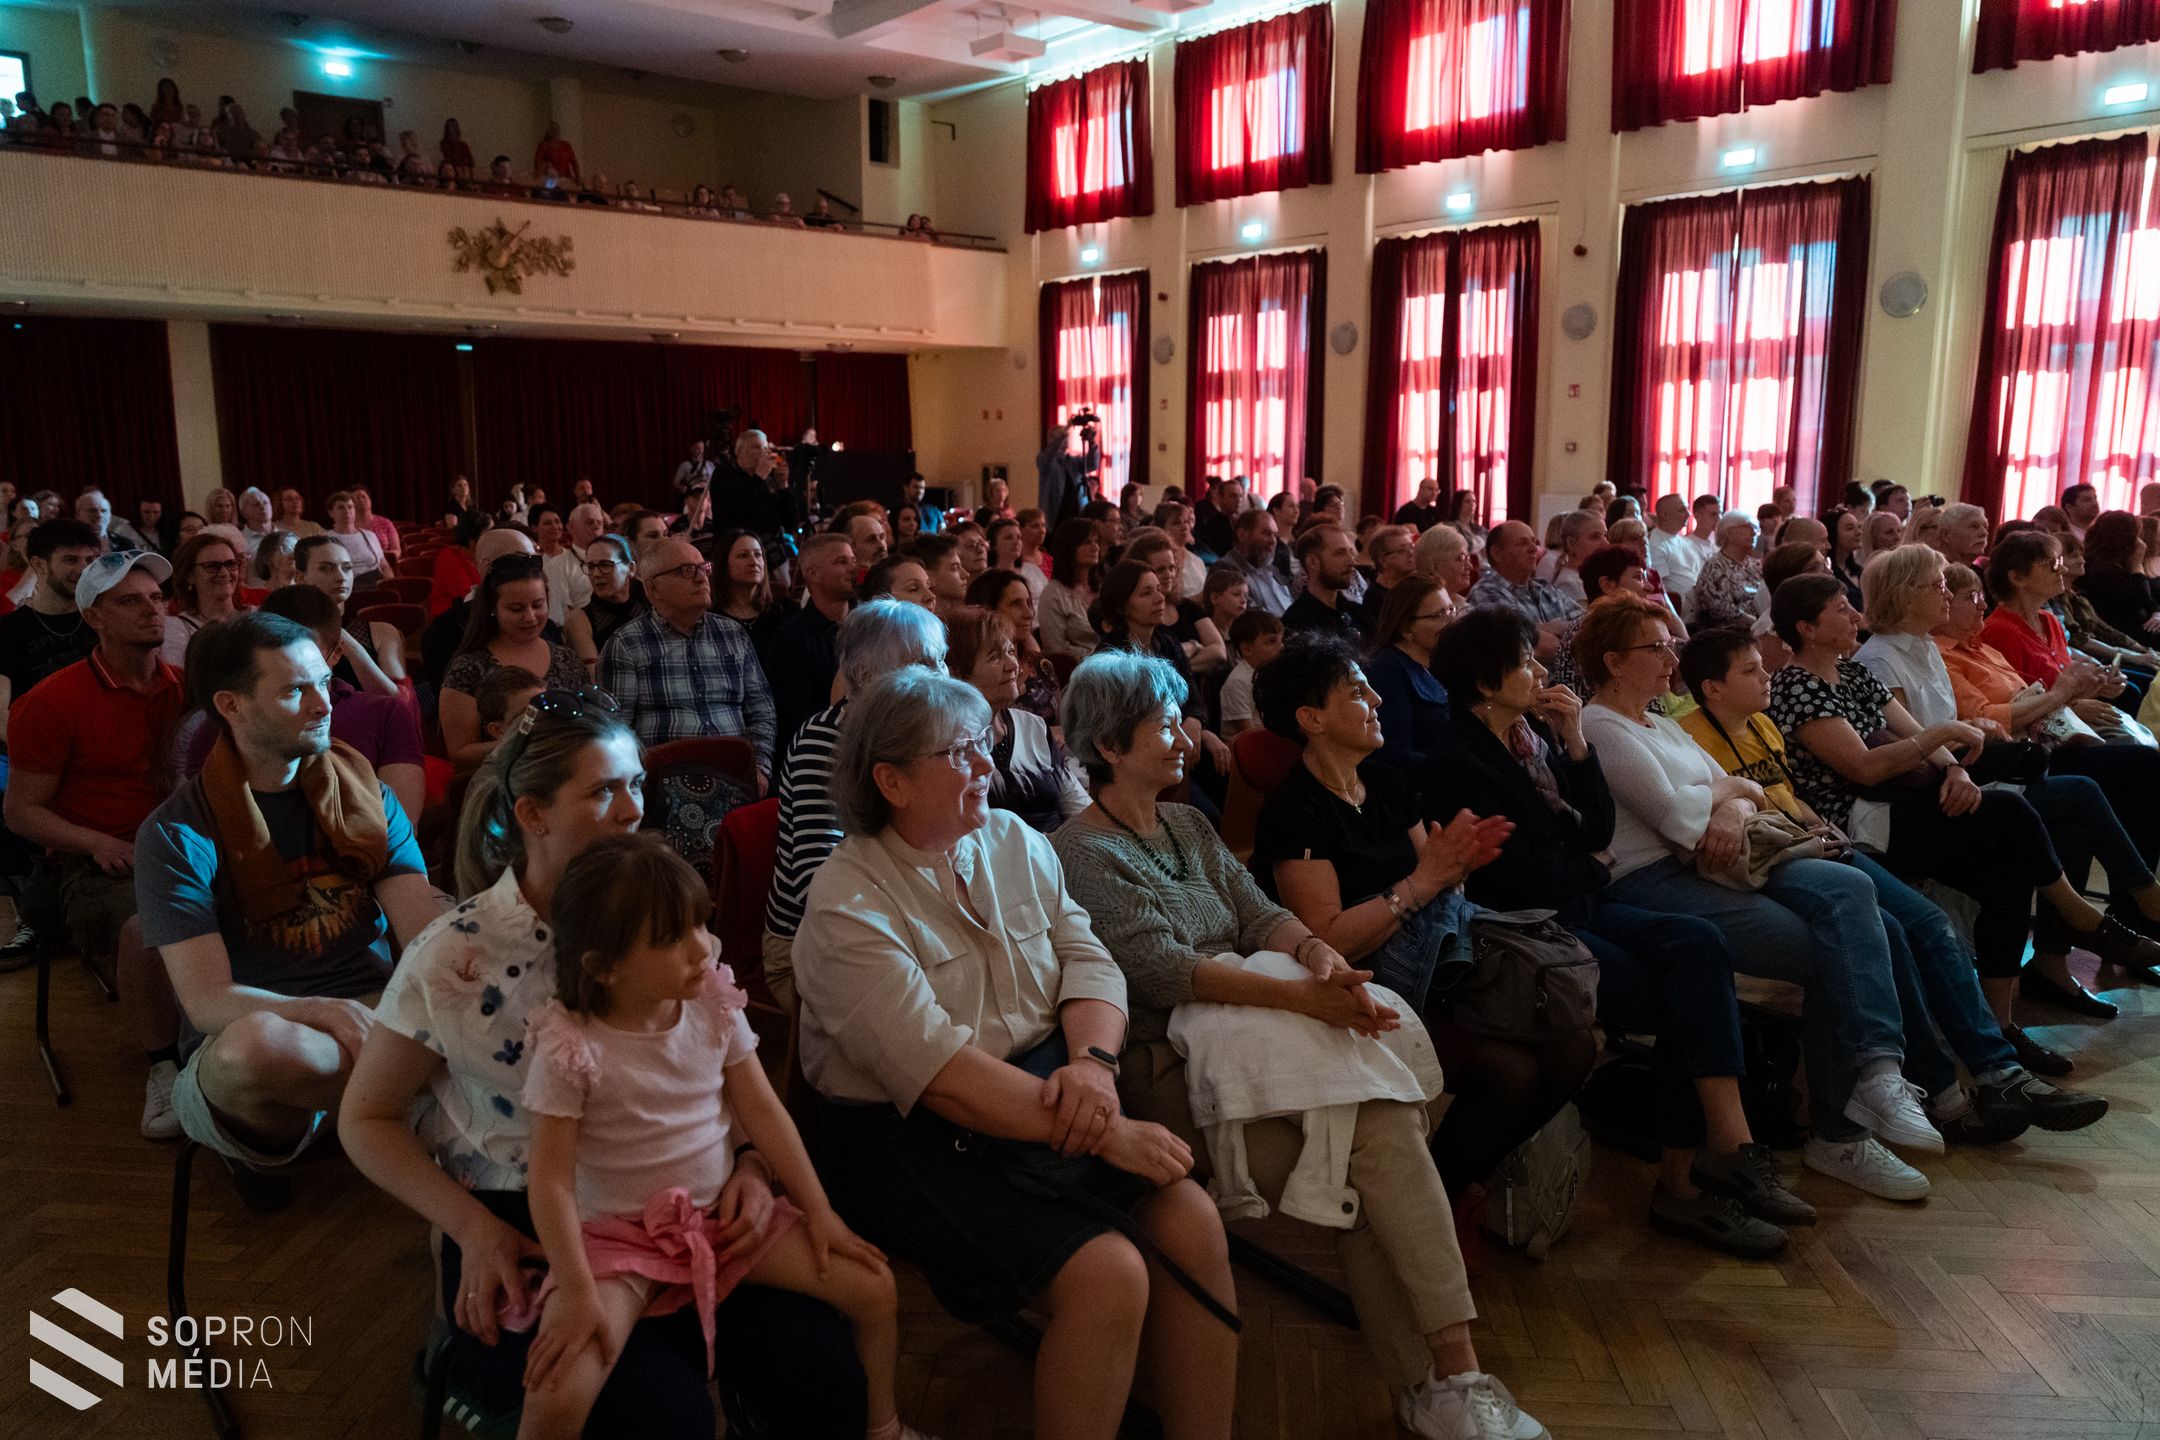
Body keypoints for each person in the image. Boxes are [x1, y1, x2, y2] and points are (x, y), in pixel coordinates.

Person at [341, 692, 872, 1437]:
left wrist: (752, 1164)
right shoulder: (457, 954)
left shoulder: (664, 912)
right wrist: (471, 1228)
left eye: (636, 784)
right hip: (531, 1226)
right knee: (660, 1421)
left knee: (824, 1379)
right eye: (603, 791)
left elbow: (721, 1074)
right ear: (533, 814)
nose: (633, 809)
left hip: (693, 1200)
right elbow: (366, 1118)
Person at [1051, 651, 1552, 1439]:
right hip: (1165, 1063)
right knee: (1373, 1153)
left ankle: (1446, 1379)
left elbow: (1259, 914)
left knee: (1381, 1139)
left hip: (1256, 1031)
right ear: (1110, 746)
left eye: (1183, 720)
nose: (1187, 737)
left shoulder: (1187, 823)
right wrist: (1301, 994)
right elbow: (1162, 970)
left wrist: (1319, 956)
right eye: (1165, 725)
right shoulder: (1079, 851)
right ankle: (1442, 1385)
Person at [794, 668, 1239, 1440]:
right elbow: (942, 1077)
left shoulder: (1011, 838)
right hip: (908, 1137)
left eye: (982, 742)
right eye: (958, 752)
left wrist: (1093, 1067)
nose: (985, 763)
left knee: (1189, 1216)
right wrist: (1106, 1129)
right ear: (891, 782)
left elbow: (1090, 960)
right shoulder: (847, 904)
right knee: (1107, 1272)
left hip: (1053, 1086)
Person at [512, 836, 932, 1440]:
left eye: (700, 924)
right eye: (671, 939)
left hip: (722, 1226)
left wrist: (820, 1213)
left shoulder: (714, 1003)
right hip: (620, 1243)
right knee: (558, 1393)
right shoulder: (570, 1046)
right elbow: (550, 1179)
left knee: (875, 1288)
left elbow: (763, 1112)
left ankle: (883, 1429)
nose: (702, 948)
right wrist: (576, 1286)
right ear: (604, 968)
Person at [1424, 607, 1816, 1251]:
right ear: (1486, 681)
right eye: (1524, 661)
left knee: (1697, 943)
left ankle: (1729, 1149)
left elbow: (1596, 829)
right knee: (1682, 993)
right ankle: (1686, 1184)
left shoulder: (1533, 737)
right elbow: (1519, 873)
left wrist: (1577, 744)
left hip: (1578, 902)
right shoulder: (1457, 759)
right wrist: (1588, 860)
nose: (1540, 670)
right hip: (1525, 925)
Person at [1573, 595, 1951, 1198]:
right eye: (1656, 647)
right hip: (1654, 878)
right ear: (1614, 662)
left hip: (1726, 859)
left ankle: (1878, 1074)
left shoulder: (1659, 723)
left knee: (1852, 888)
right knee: (1833, 950)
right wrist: (1725, 802)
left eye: (1669, 643)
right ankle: (1842, 1129)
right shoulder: (1601, 726)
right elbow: (1676, 817)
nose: (1671, 655)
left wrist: (1730, 807)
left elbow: (1745, 788)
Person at [1676, 624, 2108, 1144]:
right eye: (1750, 670)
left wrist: (1818, 826)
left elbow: (1787, 797)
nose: (1766, 674)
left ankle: (1998, 1073)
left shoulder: (1763, 725)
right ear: (1712, 688)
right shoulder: (1692, 738)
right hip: (1771, 860)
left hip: (1815, 843)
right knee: (1898, 931)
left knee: (1931, 919)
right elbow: (1732, 813)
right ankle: (1951, 1087)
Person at [1245, 639, 1599, 1210]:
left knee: (1573, 1046)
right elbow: (1327, 941)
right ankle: (1430, 1202)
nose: (1378, 699)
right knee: (1507, 1071)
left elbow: (1435, 887)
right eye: (1357, 692)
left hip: (1430, 966)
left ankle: (1465, 1171)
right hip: (1359, 990)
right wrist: (1425, 881)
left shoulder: (1386, 782)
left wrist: (1454, 872)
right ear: (1312, 719)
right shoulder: (1294, 810)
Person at [1768, 574, 2160, 1076]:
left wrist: (1955, 770)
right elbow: (1863, 768)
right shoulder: (1797, 687)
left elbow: (1918, 736)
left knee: (2009, 864)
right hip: (1856, 820)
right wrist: (1943, 739)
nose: (1855, 616)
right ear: (1807, 628)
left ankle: (2002, 1023)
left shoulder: (1852, 672)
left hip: (1903, 802)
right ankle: (2081, 916)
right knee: (2012, 814)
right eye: (1841, 609)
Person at [8, 549, 188, 1134]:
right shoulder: (51, 702)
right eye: (131, 601)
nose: (152, 610)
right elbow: (21, 812)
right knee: (145, 927)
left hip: (181, 846)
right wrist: (96, 842)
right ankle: (163, 1067)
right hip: (90, 863)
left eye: (157, 598)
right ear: (94, 617)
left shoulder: (185, 690)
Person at [762, 600, 948, 1014]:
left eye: (941, 660)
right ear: (865, 675)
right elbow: (817, 882)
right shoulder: (825, 744)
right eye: (923, 663)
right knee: (934, 1001)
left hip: (899, 918)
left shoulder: (919, 740)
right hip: (809, 944)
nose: (941, 676)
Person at [600, 541, 778, 786]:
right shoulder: (627, 644)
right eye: (686, 571)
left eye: (703, 568)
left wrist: (760, 767)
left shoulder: (732, 634)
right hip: (664, 783)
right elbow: (617, 730)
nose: (701, 578)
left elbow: (762, 710)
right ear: (653, 589)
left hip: (735, 776)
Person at [244, 586, 426, 822]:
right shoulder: (241, 714)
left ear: (337, 652)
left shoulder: (385, 714)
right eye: (276, 651)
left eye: (307, 653)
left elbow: (402, 824)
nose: (290, 665)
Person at [948, 606, 1088, 834]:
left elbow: (1077, 804)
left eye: (1011, 651)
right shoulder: (952, 745)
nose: (1013, 665)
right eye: (995, 657)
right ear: (957, 673)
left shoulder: (1033, 726)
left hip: (1059, 848)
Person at [441, 554, 589, 767]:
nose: (530, 617)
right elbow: (460, 753)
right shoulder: (469, 668)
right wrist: (527, 739)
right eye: (516, 609)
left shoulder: (566, 658)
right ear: (493, 609)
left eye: (537, 605)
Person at [1981, 528, 2144, 712]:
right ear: (2017, 578)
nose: (2063, 569)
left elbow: (2062, 687)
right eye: (2052, 564)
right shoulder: (1998, 632)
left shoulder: (2049, 620)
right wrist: (2075, 706)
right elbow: (2014, 706)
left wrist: (2099, 684)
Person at [0, 518, 103, 734]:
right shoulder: (8, 630)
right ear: (39, 565)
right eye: (70, 560)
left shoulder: (103, 622)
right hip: (36, 743)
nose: (84, 569)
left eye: (90, 560)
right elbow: (1, 717)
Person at [760, 532, 856, 762]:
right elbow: (795, 719)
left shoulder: (872, 624)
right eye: (841, 562)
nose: (853, 568)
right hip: (824, 753)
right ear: (813, 574)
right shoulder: (791, 639)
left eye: (853, 560)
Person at [1363, 578, 1453, 780]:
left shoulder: (1442, 659)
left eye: (1451, 610)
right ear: (1406, 629)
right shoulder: (1386, 669)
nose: (1451, 622)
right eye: (1439, 615)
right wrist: (1461, 771)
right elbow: (1394, 754)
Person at [295, 536, 406, 695]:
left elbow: (399, 700)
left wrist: (350, 645)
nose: (341, 577)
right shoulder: (289, 633)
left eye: (347, 568)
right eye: (327, 568)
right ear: (300, 578)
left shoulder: (381, 632)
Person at [965, 567, 1062, 728]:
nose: (1029, 613)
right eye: (1016, 604)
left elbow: (1062, 724)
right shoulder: (974, 671)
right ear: (988, 611)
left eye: (1028, 603)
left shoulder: (1041, 665)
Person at [1468, 522, 1580, 660]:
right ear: (1496, 553)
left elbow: (1587, 627)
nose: (1534, 548)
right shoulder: (1485, 593)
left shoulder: (1545, 588)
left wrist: (1547, 629)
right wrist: (1557, 631)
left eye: (1534, 541)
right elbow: (1536, 647)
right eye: (1522, 543)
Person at [160, 532, 248, 666]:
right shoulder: (177, 628)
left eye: (231, 564)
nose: (225, 573)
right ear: (189, 575)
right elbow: (181, 674)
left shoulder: (257, 615)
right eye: (212, 566)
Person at [2076, 510, 2160, 638]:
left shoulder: (2117, 566)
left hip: (2138, 630)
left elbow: (2149, 602)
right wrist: (2137, 565)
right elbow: (2139, 598)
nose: (2140, 542)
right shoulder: (2098, 572)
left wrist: (2156, 613)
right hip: (2120, 635)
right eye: (2137, 536)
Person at [1281, 525, 1367, 642]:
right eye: (1340, 553)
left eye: (1350, 552)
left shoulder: (1357, 612)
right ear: (1313, 562)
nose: (1352, 562)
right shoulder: (1296, 624)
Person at [1038, 518, 1105, 660]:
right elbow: (1055, 648)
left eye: (1096, 541)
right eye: (1087, 542)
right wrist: (1095, 658)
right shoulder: (1054, 594)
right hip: (1078, 667)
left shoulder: (1102, 588)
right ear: (1069, 547)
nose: (1096, 547)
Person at [1690, 513, 1767, 628]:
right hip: (1730, 630)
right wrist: (1757, 623)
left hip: (1759, 626)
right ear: (1729, 533)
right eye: (1748, 527)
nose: (1754, 533)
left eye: (1756, 529)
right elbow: (1718, 607)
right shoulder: (1715, 565)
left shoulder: (1756, 565)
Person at [1217, 610, 1281, 739]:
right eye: (1271, 642)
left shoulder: (1275, 672)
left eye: (1281, 640)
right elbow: (1251, 735)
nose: (1281, 647)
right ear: (1247, 649)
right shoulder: (1238, 682)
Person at [1221, 508, 1294, 618]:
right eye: (1267, 534)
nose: (1273, 541)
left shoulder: (1273, 570)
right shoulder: (1227, 571)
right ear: (1243, 535)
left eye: (1275, 535)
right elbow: (1255, 620)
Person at [1034, 420, 1101, 529]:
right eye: (1060, 437)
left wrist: (1091, 442)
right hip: (1055, 515)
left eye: (1066, 437)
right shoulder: (1044, 460)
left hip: (1077, 511)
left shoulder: (1074, 461)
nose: (1064, 439)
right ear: (1050, 440)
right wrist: (1066, 429)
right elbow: (1049, 455)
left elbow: (1092, 464)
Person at [1646, 495, 1706, 612]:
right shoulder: (1655, 544)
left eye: (1687, 509)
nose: (1688, 514)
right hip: (1678, 610)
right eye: (1682, 510)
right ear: (1664, 515)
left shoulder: (1687, 541)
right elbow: (1658, 585)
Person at [428, 511, 491, 618]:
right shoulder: (448, 558)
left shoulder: (483, 555)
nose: (491, 537)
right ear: (472, 540)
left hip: (475, 613)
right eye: (487, 533)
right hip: (450, 618)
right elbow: (466, 596)